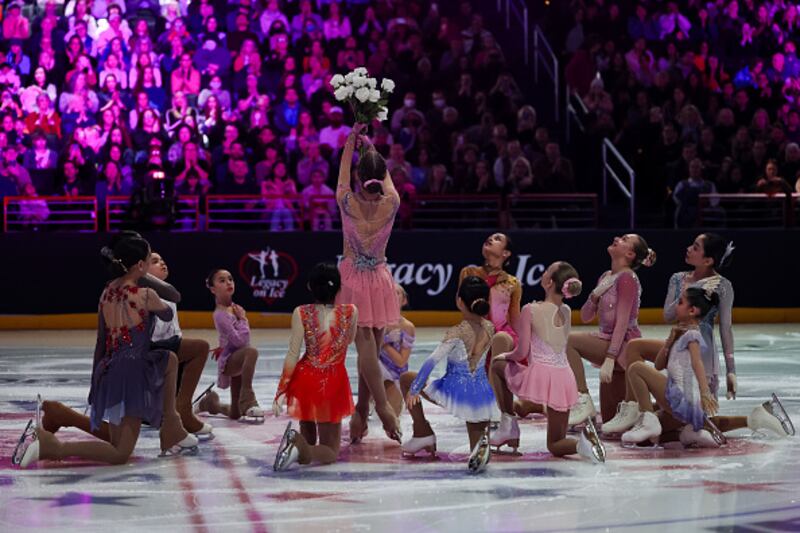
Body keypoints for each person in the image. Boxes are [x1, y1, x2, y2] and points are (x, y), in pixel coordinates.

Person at [17, 236, 197, 467]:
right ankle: (52, 447)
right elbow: (171, 304)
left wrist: (95, 379)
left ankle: (62, 414)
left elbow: (101, 341)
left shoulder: (106, 293)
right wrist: (145, 279)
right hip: (133, 372)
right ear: (141, 266)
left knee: (169, 359)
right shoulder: (146, 295)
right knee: (120, 452)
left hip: (109, 368)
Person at [491, 262, 605, 462]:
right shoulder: (567, 311)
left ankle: (508, 423)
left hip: (541, 375)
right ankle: (582, 444)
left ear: (550, 282)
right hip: (564, 379)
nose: (542, 273)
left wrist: (505, 356)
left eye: (546, 272)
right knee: (555, 444)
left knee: (497, 365)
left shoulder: (531, 309)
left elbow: (521, 352)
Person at [335, 123, 402, 444]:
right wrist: (371, 148)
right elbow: (384, 177)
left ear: (359, 180)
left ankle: (383, 407)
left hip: (353, 279)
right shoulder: (392, 203)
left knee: (365, 348)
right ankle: (362, 409)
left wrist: (351, 142)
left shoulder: (346, 201)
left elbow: (342, 176)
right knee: (371, 349)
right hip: (379, 278)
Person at [399, 276, 496, 473]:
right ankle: (480, 446)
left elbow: (430, 361)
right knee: (477, 439)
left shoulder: (457, 332)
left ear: (460, 302)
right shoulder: (490, 327)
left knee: (406, 378)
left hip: (454, 390)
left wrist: (415, 389)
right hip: (481, 393)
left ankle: (422, 430)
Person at [272, 264, 358, 470]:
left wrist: (281, 390)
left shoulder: (301, 312)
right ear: (338, 288)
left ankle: (301, 447)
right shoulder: (350, 311)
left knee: (308, 430)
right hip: (332, 383)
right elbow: (349, 341)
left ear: (310, 287)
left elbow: (293, 353)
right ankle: (303, 451)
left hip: (305, 379)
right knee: (329, 452)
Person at [566, 234, 656, 426]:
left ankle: (582, 397)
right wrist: (594, 295)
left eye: (624, 239)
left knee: (570, 341)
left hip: (624, 346)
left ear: (630, 254)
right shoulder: (606, 277)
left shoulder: (627, 278)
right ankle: (585, 400)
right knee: (608, 422)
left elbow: (622, 322)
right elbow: (585, 316)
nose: (617, 238)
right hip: (607, 342)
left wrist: (609, 357)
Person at [196, 269, 264, 422]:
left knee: (235, 414)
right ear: (213, 289)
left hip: (239, 357)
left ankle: (210, 404)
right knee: (251, 352)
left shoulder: (235, 308)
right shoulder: (220, 315)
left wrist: (240, 318)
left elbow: (242, 341)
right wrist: (243, 320)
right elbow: (240, 341)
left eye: (230, 279)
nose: (228, 282)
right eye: (222, 280)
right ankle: (248, 398)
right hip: (230, 361)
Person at [378, 284, 415, 416]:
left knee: (392, 420)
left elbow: (401, 362)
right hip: (375, 372)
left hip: (396, 375)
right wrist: (384, 339)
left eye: (397, 293)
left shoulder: (407, 327)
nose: (392, 296)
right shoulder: (376, 324)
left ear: (404, 300)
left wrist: (384, 344)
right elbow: (366, 352)